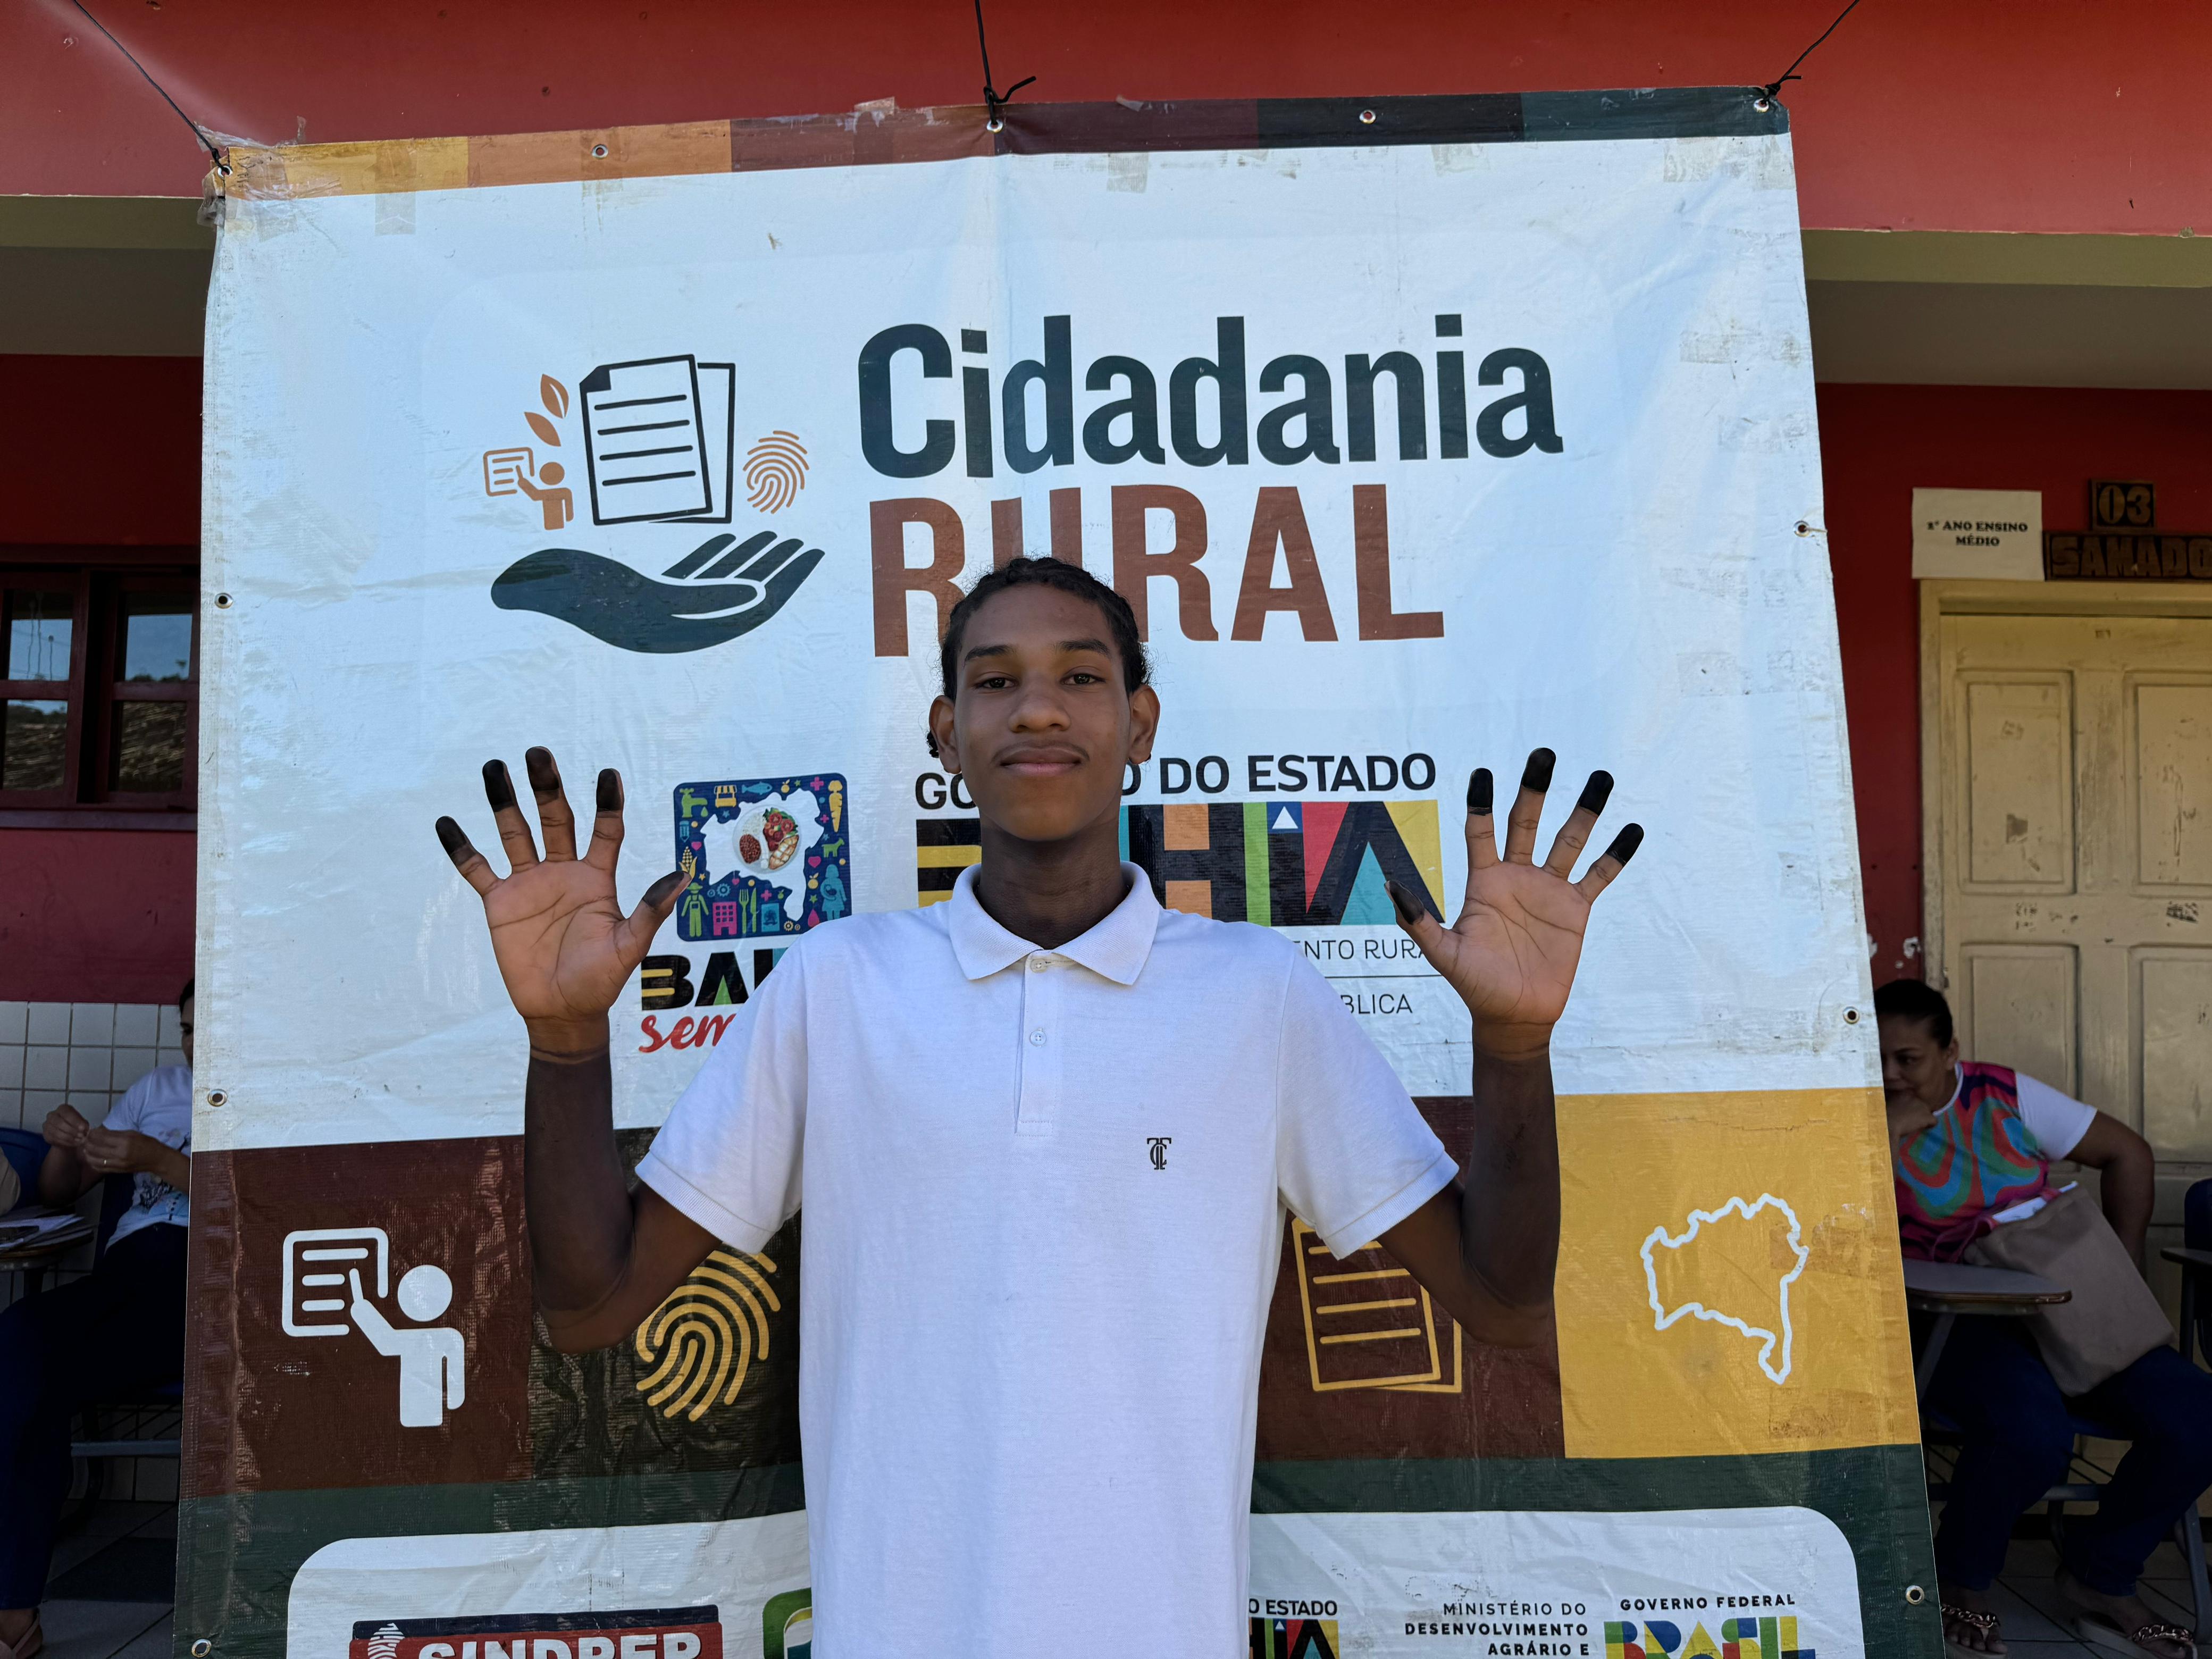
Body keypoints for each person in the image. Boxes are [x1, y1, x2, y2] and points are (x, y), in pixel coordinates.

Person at [434, 555, 1643, 1655]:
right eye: (996, 679)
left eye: (1081, 675)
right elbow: (591, 1305)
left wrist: (1513, 1045)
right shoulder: (838, 985)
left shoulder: (1257, 995)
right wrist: (567, 1044)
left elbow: (1499, 1297)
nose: (1040, 708)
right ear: (946, 732)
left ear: (1140, 724)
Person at [1876, 978, 2212, 1659]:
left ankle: (2099, 1572)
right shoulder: (1851, 1117)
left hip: (2071, 1305)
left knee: (2197, 1416)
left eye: (1906, 1059)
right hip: (1958, 1320)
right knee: (2029, 1432)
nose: (1888, 1075)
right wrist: (1885, 1134)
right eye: (1874, 1058)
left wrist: (2119, 1269)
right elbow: (1824, 1221)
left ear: (1949, 1053)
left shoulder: (2001, 1095)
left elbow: (2126, 1153)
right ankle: (1959, 1579)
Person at [0, 981, 196, 1659]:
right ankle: (13, 1611)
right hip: (126, 1275)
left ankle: (12, 1615)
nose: (196, 1043)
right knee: (19, 1349)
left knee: (36, 1373)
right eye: (187, 1029)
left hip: (209, 1286)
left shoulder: (283, 1090)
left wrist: (161, 1161)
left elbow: (276, 1204)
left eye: (209, 1026)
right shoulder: (157, 1090)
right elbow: (62, 1191)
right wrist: (64, 1144)